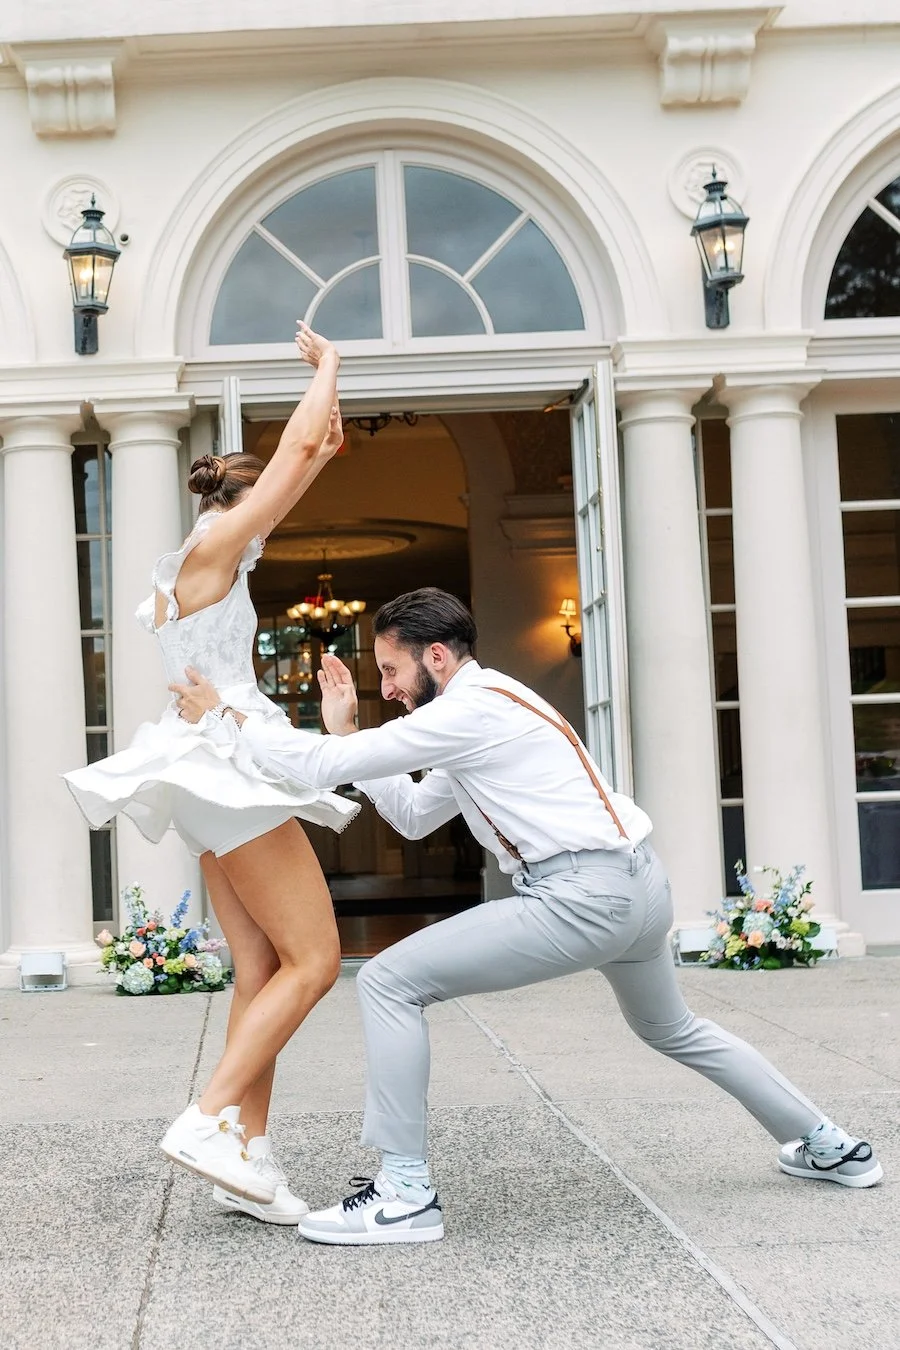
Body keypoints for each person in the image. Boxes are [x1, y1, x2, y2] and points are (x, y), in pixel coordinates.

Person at [171, 586, 883, 1246]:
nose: (384, 686)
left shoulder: (465, 712)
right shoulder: (493, 701)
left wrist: (232, 721)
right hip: (639, 886)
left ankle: (406, 1195)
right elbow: (417, 816)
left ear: (437, 657)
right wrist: (349, 740)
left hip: (582, 896)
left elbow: (323, 765)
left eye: (391, 669)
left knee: (389, 982)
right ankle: (827, 1144)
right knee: (674, 1028)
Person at [64, 323, 357, 1226]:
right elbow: (300, 450)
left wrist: (325, 438)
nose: (274, 528)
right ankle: (204, 1118)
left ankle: (251, 1156)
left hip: (210, 757)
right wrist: (330, 368)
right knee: (317, 960)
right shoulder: (219, 549)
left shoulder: (190, 562)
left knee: (261, 962)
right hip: (225, 764)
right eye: (266, 509)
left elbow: (309, 455)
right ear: (239, 507)